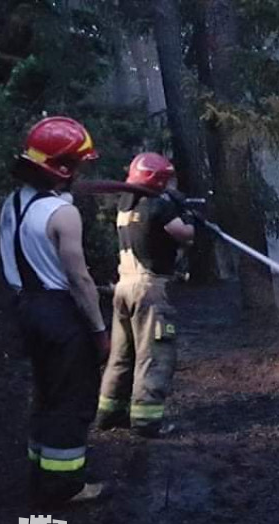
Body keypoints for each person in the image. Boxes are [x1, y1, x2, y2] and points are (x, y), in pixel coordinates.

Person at [0, 116, 109, 504]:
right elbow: (79, 279)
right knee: (71, 398)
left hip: (25, 308)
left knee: (46, 392)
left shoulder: (12, 204)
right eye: (78, 164)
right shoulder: (63, 214)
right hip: (59, 312)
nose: (81, 172)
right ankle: (65, 487)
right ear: (63, 167)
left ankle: (42, 474)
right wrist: (99, 331)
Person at [96, 153, 194, 438]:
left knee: (121, 355)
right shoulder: (159, 206)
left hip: (123, 286)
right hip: (148, 289)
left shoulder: (126, 202)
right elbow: (184, 234)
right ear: (160, 181)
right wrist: (187, 213)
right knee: (154, 355)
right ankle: (146, 421)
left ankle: (109, 413)